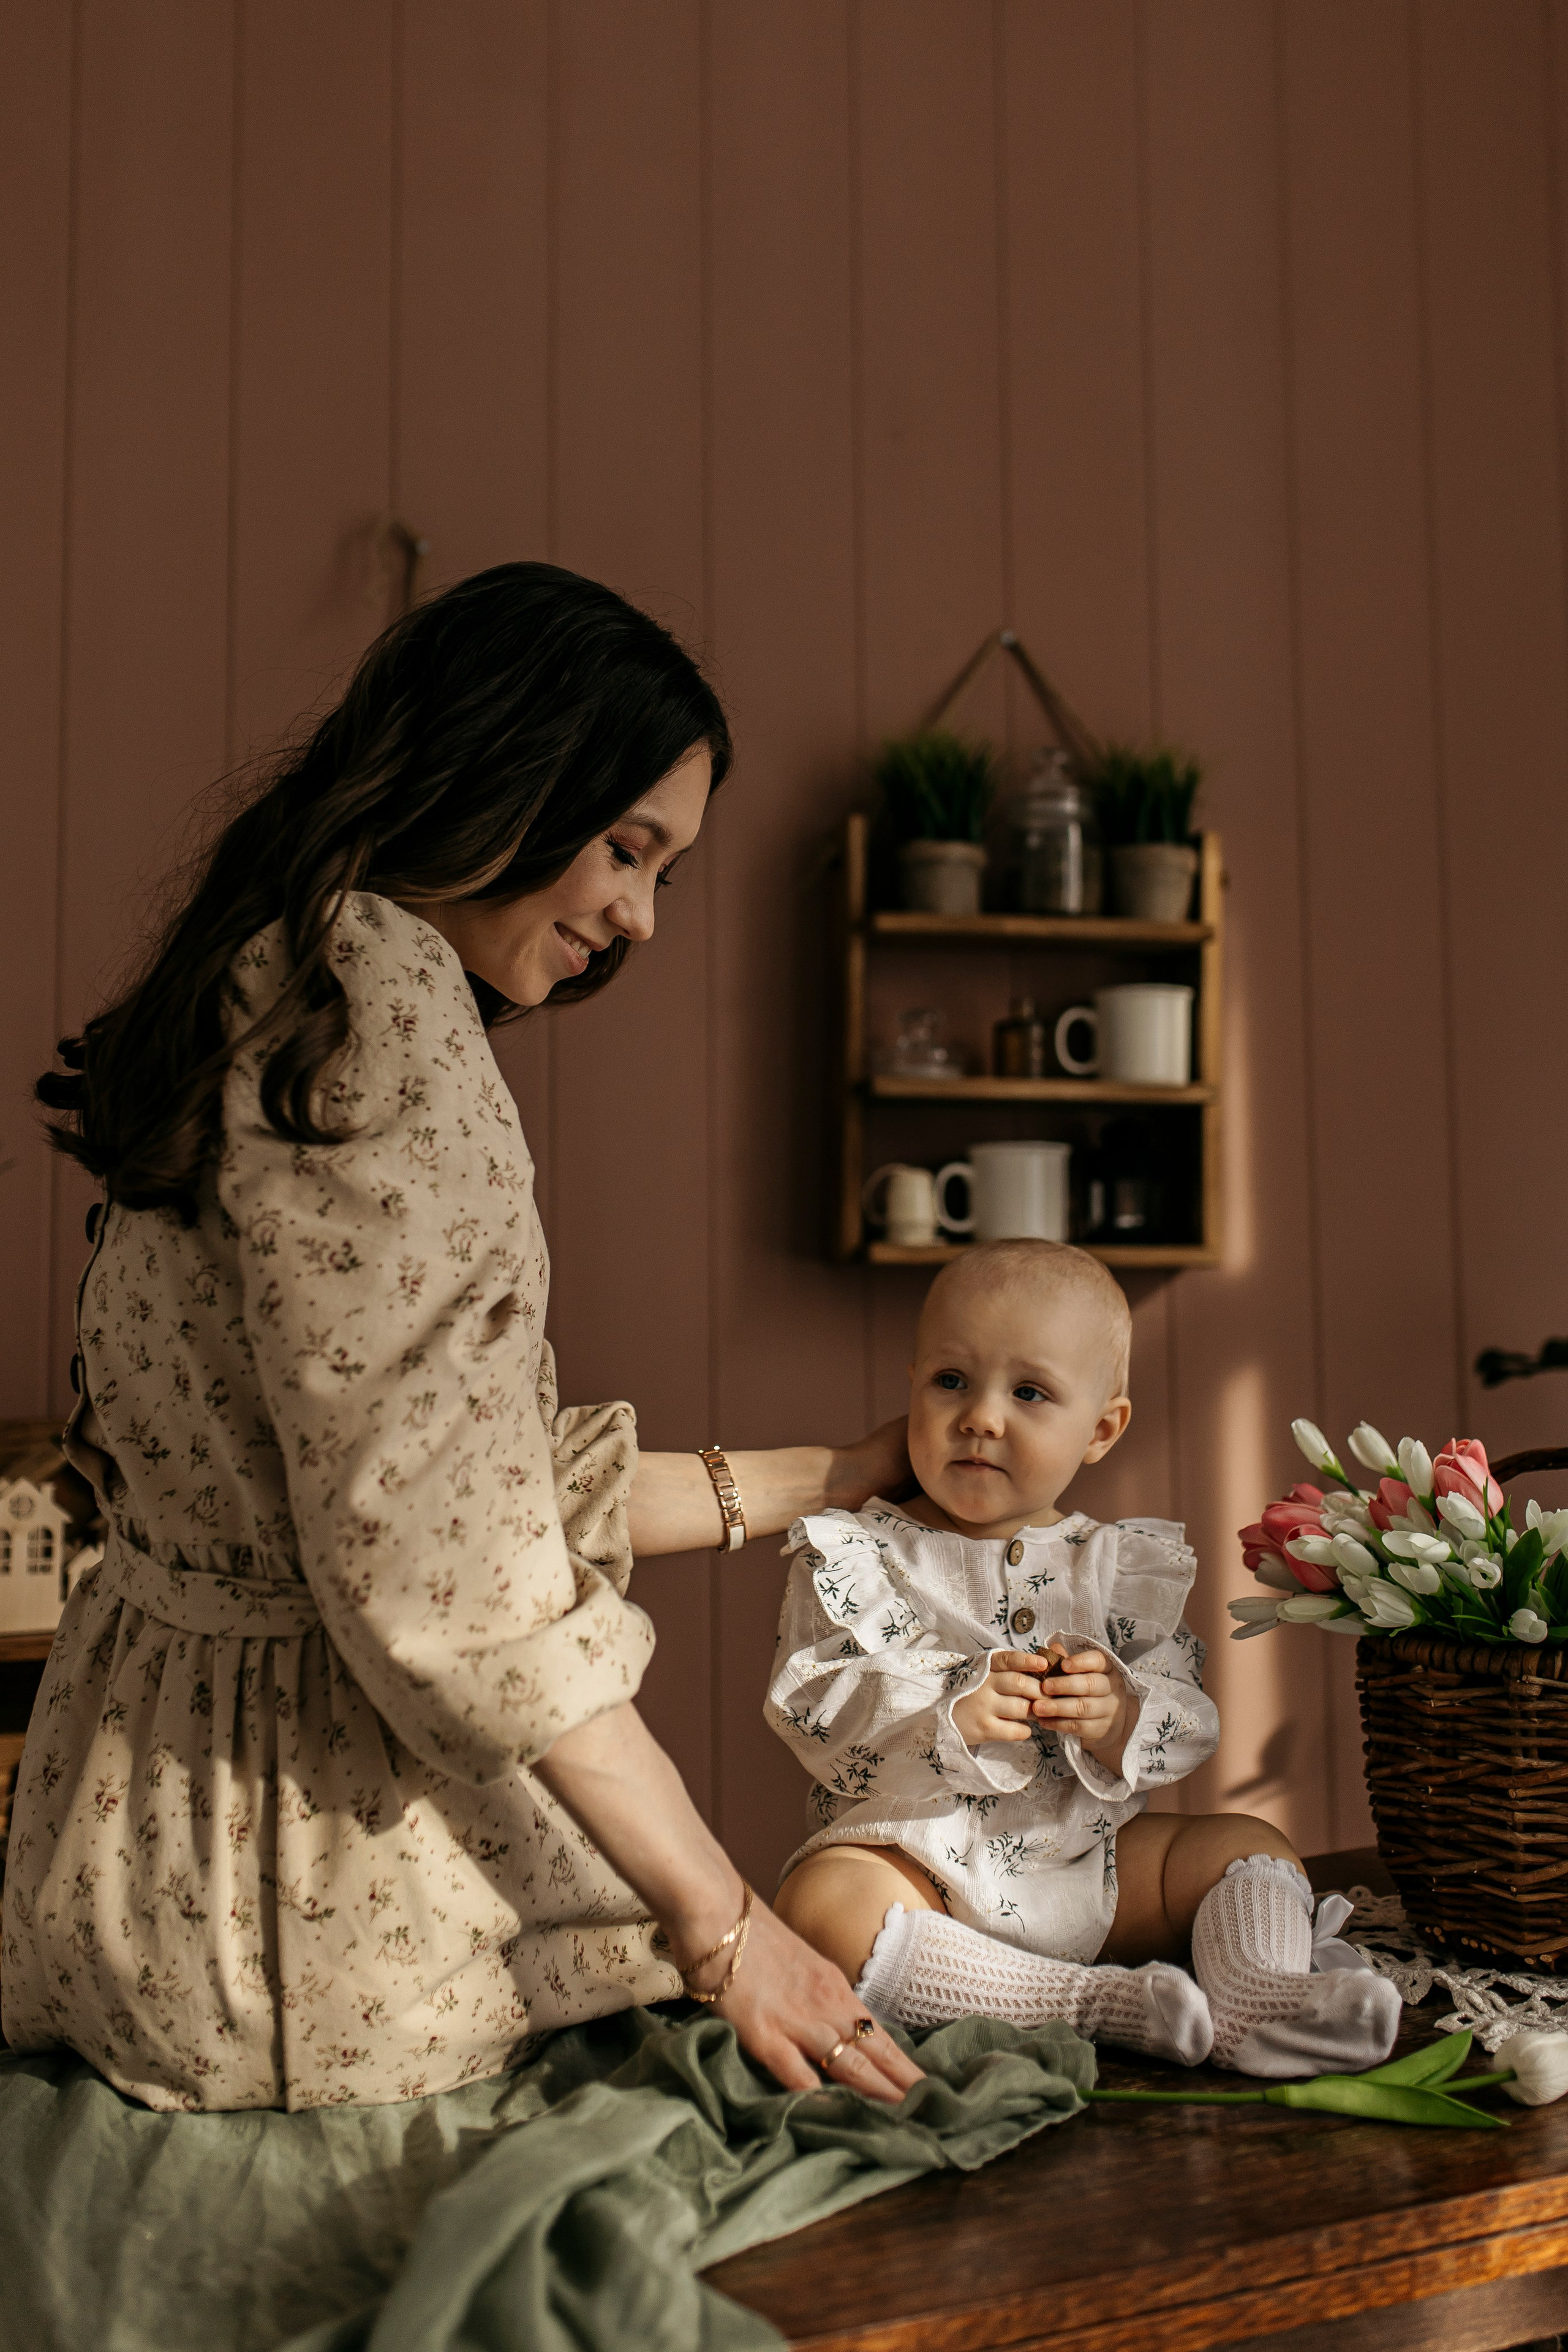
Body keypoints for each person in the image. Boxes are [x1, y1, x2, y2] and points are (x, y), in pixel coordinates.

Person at [7, 562, 923, 2116]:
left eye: (664, 871)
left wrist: (841, 1473)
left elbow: (425, 1488)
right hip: (300, 1913)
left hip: (128, 1863)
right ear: (496, 775)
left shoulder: (267, 980)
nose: (636, 915)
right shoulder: (375, 1016)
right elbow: (443, 1578)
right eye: (626, 848)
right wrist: (728, 1928)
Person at [767, 1240, 1402, 2078]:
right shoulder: (856, 1555)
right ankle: (1098, 2006)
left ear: (1101, 1429)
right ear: (913, 1383)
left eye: (1029, 1393)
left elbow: (1187, 1723)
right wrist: (949, 1708)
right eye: (950, 1381)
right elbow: (812, 1704)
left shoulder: (1114, 1568)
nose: (981, 1416)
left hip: (1090, 1862)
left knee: (1250, 1843)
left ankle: (1257, 1998)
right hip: (920, 1871)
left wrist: (1124, 1715)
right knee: (821, 1907)